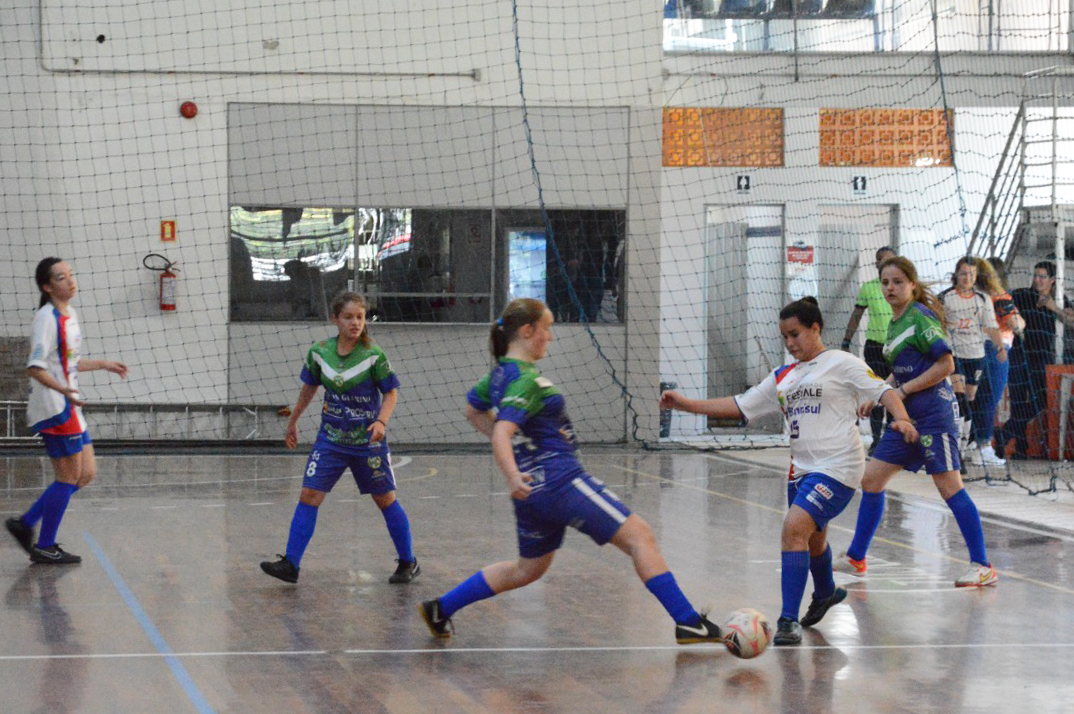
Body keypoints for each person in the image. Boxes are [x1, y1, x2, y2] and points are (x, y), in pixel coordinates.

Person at [419, 298, 723, 645]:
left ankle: (441, 608)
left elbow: (472, 412)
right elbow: (502, 431)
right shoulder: (524, 381)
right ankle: (687, 622)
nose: (549, 336)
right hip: (561, 481)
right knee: (641, 537)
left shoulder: (499, 375)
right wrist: (512, 472)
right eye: (545, 329)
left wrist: (520, 455)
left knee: (527, 569)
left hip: (534, 493)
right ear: (527, 331)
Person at [662, 297, 917, 646]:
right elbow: (739, 406)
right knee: (813, 540)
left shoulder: (841, 363)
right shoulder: (783, 376)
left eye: (796, 334)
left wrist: (901, 419)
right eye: (785, 337)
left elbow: (883, 391)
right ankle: (825, 592)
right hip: (801, 471)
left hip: (840, 466)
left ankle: (786, 621)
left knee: (793, 528)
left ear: (816, 328)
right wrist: (684, 404)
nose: (790, 343)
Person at [837, 257, 998, 588]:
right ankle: (856, 557)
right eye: (885, 283)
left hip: (932, 418)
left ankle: (982, 565)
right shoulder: (896, 323)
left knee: (950, 487)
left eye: (897, 281)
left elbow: (946, 364)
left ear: (912, 284)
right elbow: (905, 367)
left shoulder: (920, 317)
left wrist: (904, 390)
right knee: (871, 480)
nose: (890, 288)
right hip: (906, 418)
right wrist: (883, 392)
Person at [260, 291, 419, 584]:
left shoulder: (374, 356)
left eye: (359, 317)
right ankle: (291, 564)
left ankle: (408, 562)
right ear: (335, 319)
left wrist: (381, 421)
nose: (355, 323)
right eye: (348, 317)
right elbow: (309, 389)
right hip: (331, 440)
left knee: (385, 499)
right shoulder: (320, 353)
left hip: (367, 442)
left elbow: (391, 393)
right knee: (309, 495)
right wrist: (293, 422)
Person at [5, 258, 128, 564]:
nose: (70, 281)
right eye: (61, 277)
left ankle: (25, 523)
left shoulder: (69, 314)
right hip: (56, 408)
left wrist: (103, 364)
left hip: (70, 405)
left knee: (85, 474)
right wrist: (62, 390)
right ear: (48, 287)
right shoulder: (46, 318)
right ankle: (44, 544)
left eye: (70, 275)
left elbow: (68, 363)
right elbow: (35, 367)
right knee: (69, 477)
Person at [938, 257, 1005, 466]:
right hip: (954, 353)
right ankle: (955, 447)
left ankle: (966, 444)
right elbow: (937, 323)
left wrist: (1000, 347)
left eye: (972, 274)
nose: (968, 278)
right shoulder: (945, 298)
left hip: (976, 354)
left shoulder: (982, 299)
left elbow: (991, 326)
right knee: (959, 400)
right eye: (964, 274)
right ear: (956, 275)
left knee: (970, 399)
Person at [1004, 261, 1074, 458]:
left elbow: (1071, 320)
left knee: (1040, 401)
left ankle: (1004, 434)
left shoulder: (1059, 298)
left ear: (1052, 280)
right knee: (1018, 402)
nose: (1037, 280)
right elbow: (1003, 304)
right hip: (1018, 353)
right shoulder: (1022, 295)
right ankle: (1020, 448)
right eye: (1035, 275)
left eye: (1042, 277)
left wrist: (1054, 308)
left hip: (1041, 356)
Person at [841, 246, 898, 454]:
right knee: (877, 392)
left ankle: (893, 439)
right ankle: (876, 440)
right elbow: (856, 314)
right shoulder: (869, 288)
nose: (885, 263)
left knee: (895, 393)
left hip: (897, 347)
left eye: (889, 260)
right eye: (881, 260)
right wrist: (846, 340)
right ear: (876, 264)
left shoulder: (902, 287)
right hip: (874, 346)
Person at [971, 257, 1024, 466]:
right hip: (995, 349)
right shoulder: (1000, 298)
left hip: (975, 348)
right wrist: (1019, 320)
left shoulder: (974, 296)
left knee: (975, 398)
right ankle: (982, 447)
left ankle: (972, 444)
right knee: (989, 399)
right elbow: (1016, 324)